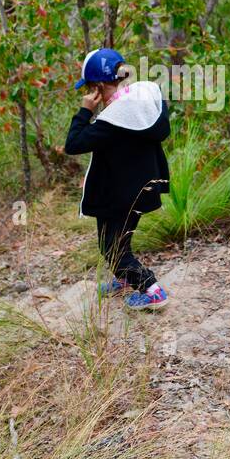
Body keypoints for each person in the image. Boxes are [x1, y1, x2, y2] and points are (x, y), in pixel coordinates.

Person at [63, 48, 171, 311]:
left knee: (114, 251)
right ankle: (124, 279)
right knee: (111, 242)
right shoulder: (143, 100)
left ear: (98, 86)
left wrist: (85, 110)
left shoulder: (114, 118)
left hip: (122, 195)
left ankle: (153, 290)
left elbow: (73, 143)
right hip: (133, 190)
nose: (88, 94)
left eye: (88, 88)